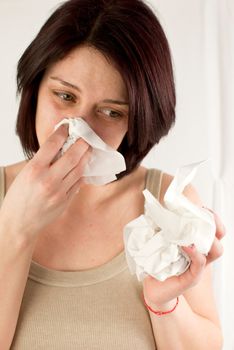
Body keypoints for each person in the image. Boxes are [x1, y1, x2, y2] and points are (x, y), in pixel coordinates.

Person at [0, 0, 225, 349]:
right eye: (64, 96)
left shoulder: (167, 207)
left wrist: (164, 302)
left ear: (137, 121)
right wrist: (15, 228)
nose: (79, 129)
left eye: (110, 112)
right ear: (35, 89)